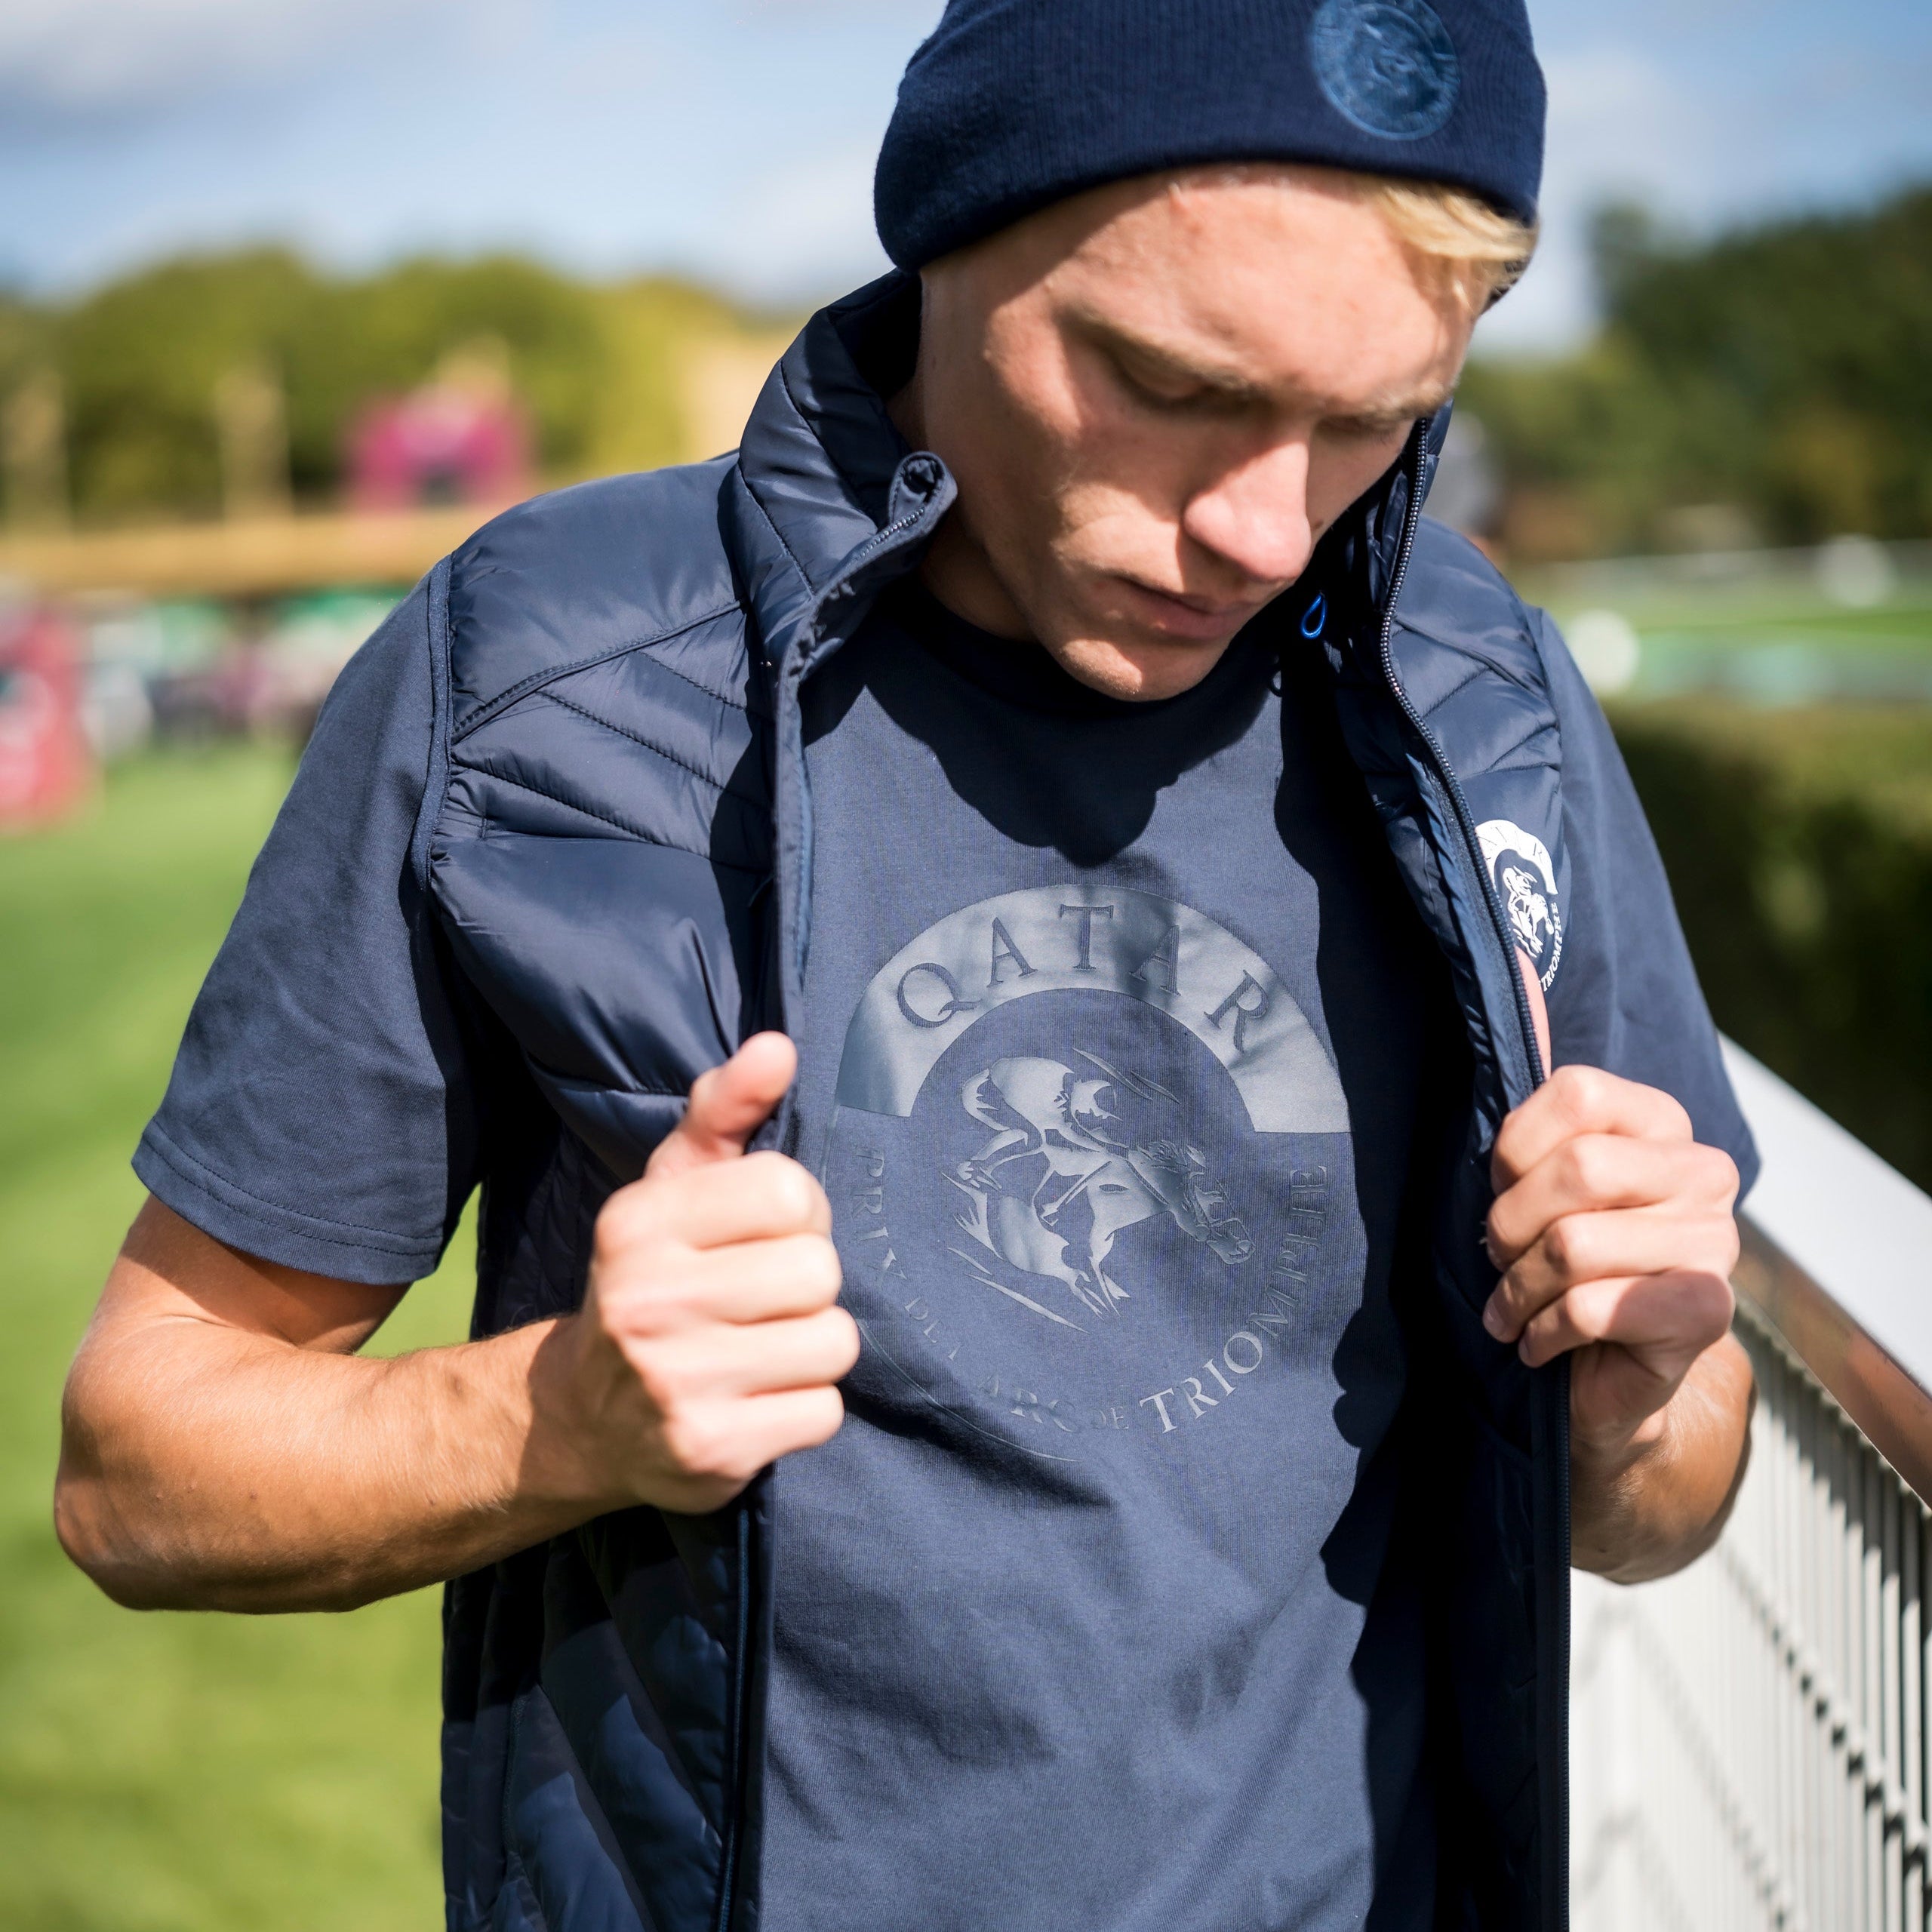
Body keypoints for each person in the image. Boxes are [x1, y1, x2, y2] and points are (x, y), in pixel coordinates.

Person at [54, 2, 1757, 1927]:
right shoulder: (532, 681)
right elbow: (139, 1463)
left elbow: (1670, 1489)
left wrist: (1630, 1386)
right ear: (951, 228)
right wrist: (566, 1412)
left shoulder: (1485, 704)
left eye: (1372, 422)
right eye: (1167, 381)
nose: (1262, 528)